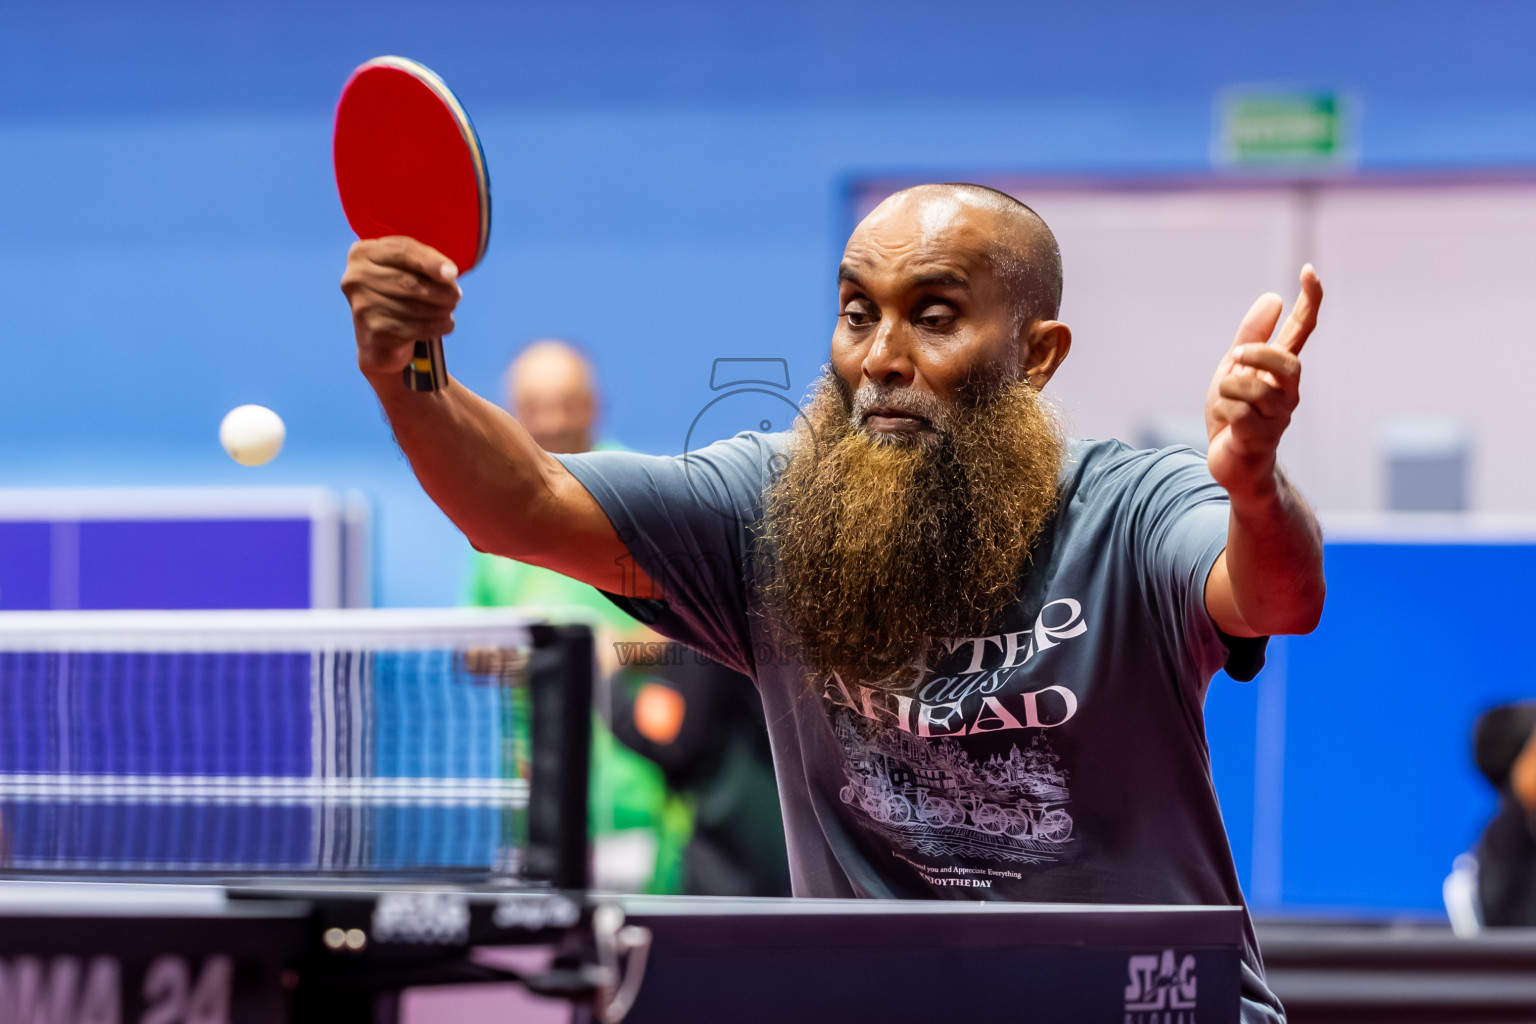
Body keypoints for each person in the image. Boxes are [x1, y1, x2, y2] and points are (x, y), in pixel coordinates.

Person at [342, 182, 1326, 1023]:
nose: (881, 356)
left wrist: (1252, 485)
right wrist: (411, 369)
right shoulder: (767, 510)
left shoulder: (1130, 509)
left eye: (934, 315)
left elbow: (1275, 593)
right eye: (859, 311)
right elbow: (521, 504)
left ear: (1037, 354)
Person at [466, 338, 689, 894]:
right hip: (535, 788)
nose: (553, 418)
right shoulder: (497, 517)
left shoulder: (646, 498)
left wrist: (602, 654)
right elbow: (472, 647)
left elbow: (693, 638)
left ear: (594, 405)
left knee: (637, 950)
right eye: (536, 405)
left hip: (633, 794)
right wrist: (521, 660)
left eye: (566, 401)